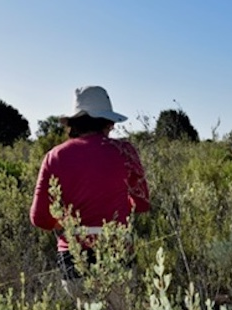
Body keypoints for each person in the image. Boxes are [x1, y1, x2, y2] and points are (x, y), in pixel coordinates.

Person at [30, 85, 150, 296]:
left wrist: (68, 224)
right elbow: (141, 204)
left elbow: (39, 218)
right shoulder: (125, 151)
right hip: (118, 253)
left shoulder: (55, 156)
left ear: (73, 123)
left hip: (74, 261)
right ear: (108, 122)